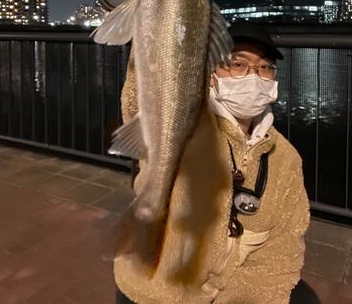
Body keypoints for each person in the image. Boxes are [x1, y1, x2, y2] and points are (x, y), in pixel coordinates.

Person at [114, 22, 315, 304]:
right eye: (238, 64)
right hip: (156, 291)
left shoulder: (287, 158)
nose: (253, 76)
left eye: (264, 67)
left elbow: (283, 247)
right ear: (210, 75)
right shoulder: (182, 128)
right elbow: (143, 102)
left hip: (232, 291)